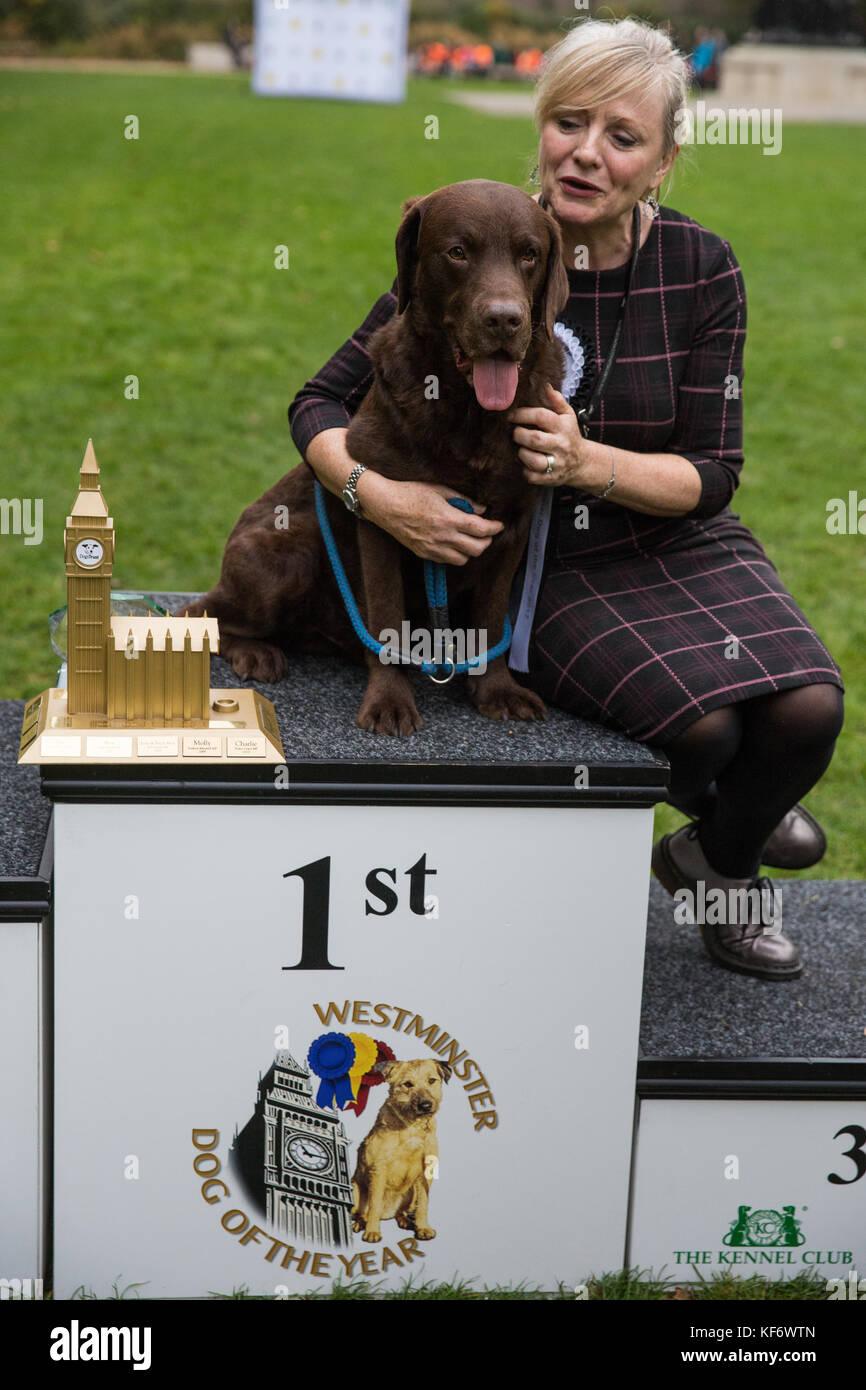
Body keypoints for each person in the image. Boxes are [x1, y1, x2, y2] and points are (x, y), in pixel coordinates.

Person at [288, 18, 844, 981]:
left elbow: (714, 471)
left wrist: (594, 465)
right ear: (541, 129)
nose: (587, 153)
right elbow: (318, 403)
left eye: (622, 136)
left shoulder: (703, 270)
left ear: (664, 160)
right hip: (550, 560)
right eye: (568, 123)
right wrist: (373, 493)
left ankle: (712, 849)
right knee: (706, 729)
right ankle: (739, 849)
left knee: (807, 712)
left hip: (676, 530)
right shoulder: (480, 237)